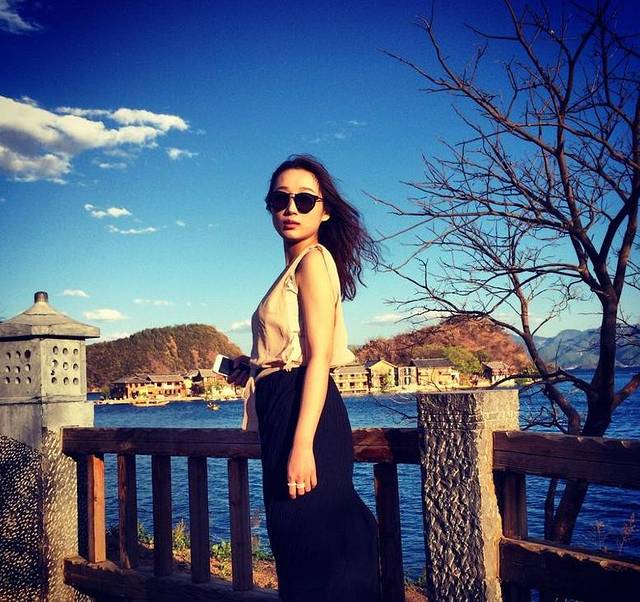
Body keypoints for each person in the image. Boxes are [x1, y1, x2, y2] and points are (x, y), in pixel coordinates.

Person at [227, 154, 382, 601]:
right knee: (300, 548)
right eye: (280, 199)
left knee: (312, 550)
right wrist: (251, 366)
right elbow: (290, 351)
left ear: (324, 209)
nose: (290, 208)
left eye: (304, 199)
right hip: (285, 410)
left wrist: (301, 446)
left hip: (305, 417)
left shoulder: (313, 261)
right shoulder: (293, 269)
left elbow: (317, 360)